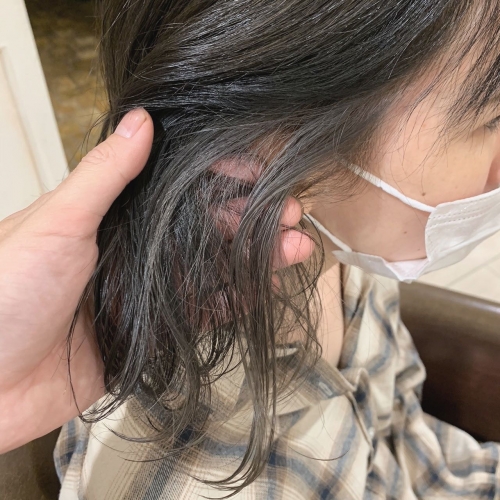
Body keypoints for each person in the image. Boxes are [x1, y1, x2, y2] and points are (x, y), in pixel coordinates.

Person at [2, 0, 500, 498]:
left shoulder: (336, 241)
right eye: (491, 120)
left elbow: (410, 442)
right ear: (283, 138)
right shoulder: (197, 470)